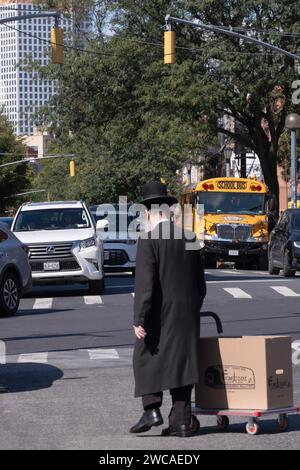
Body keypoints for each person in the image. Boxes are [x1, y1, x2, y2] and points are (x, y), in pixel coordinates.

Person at [130, 181, 206, 438]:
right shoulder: (191, 237)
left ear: (149, 213)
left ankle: (151, 409)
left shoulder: (148, 240)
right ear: (169, 211)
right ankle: (181, 421)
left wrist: (139, 318)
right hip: (188, 313)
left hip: (159, 314)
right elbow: (201, 284)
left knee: (144, 355)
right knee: (183, 363)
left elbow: (145, 286)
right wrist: (194, 308)